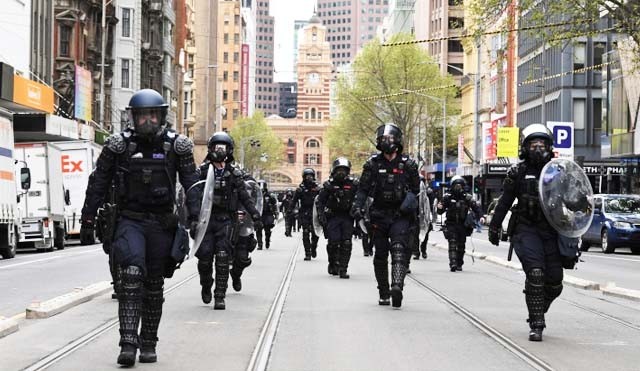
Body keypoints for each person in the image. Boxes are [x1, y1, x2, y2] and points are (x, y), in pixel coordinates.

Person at [79, 89, 200, 366]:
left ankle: (148, 343)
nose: (147, 120)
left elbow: (193, 185)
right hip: (129, 220)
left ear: (161, 116)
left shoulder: (177, 146)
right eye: (142, 115)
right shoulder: (117, 146)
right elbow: (98, 181)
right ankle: (127, 343)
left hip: (162, 223)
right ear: (133, 117)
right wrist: (87, 219)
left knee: (154, 286)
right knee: (131, 276)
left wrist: (195, 220)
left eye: (152, 115)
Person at [488, 124, 563, 342]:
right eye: (533, 144)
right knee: (536, 273)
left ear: (549, 147)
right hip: (526, 228)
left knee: (555, 281)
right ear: (525, 147)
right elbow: (504, 202)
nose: (538, 148)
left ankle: (539, 304)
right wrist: (494, 226)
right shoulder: (518, 172)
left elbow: (573, 196)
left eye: (542, 144)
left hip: (551, 229)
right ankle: (536, 322)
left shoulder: (559, 171)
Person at [352, 123, 420, 308]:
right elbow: (362, 190)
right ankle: (383, 292)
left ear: (397, 141)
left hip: (400, 215)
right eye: (382, 139)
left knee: (399, 249)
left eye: (389, 139)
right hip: (379, 215)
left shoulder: (409, 165)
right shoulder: (372, 164)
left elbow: (416, 191)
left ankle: (397, 287)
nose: (385, 142)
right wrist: (357, 208)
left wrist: (410, 206)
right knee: (380, 254)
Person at [194, 132, 263, 310]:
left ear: (229, 150)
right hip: (205, 222)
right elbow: (191, 195)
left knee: (223, 257)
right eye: (216, 147)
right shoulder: (201, 172)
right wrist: (191, 219)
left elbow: (245, 197)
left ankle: (220, 296)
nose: (219, 150)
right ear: (210, 149)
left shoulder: (234, 174)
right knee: (204, 259)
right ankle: (206, 284)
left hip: (225, 220)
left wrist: (255, 215)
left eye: (223, 147)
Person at [316, 157, 358, 278]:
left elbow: (361, 199)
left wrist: (359, 213)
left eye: (344, 170)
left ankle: (343, 268)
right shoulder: (328, 186)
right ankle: (333, 263)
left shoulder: (353, 185)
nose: (341, 173)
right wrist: (321, 216)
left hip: (347, 217)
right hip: (333, 217)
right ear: (334, 171)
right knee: (333, 242)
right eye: (339, 170)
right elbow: (320, 202)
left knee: (346, 242)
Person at [437, 175, 482, 272]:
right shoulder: (447, 197)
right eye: (456, 185)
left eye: (459, 185)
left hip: (462, 225)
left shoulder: (467, 198)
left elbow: (476, 208)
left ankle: (459, 263)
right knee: (452, 243)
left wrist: (481, 217)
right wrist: (439, 207)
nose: (458, 188)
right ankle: (453, 263)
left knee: (461, 245)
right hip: (451, 224)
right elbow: (440, 211)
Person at [230, 175, 261, 292]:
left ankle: (236, 275)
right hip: (228, 224)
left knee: (243, 259)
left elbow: (255, 206)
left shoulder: (252, 194)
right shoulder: (231, 188)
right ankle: (219, 289)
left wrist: (256, 218)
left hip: (245, 228)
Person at [293, 168, 321, 260]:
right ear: (304, 177)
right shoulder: (300, 189)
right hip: (304, 212)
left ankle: (313, 247)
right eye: (307, 176)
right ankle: (307, 253)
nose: (309, 178)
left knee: (315, 233)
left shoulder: (317, 188)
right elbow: (294, 201)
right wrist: (291, 210)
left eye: (311, 176)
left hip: (315, 213)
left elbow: (323, 200)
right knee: (305, 233)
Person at [255, 180, 278, 249]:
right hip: (259, 214)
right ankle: (260, 244)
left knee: (267, 230)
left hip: (268, 214)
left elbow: (274, 204)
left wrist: (275, 213)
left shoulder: (269, 195)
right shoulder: (255, 195)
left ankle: (267, 241)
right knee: (258, 230)